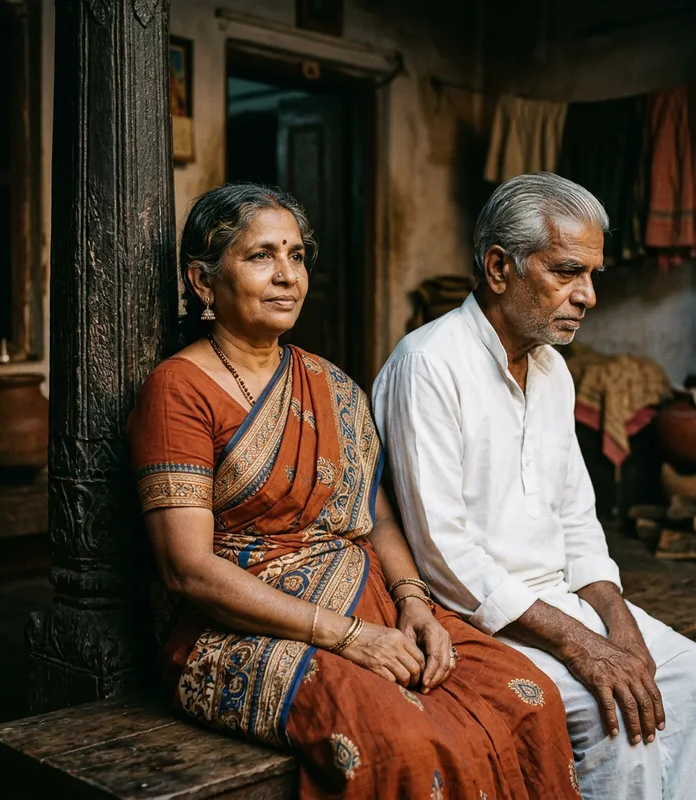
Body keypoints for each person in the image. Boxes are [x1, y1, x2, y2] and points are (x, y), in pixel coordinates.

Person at [127, 182, 582, 799]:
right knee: (404, 743)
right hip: (239, 629)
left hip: (372, 603)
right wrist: (348, 637)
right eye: (261, 256)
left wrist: (414, 603)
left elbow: (376, 516)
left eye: (295, 255)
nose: (287, 275)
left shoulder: (330, 384)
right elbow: (188, 569)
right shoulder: (178, 390)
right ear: (204, 282)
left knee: (524, 697)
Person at [372, 172, 696, 800]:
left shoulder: (551, 370)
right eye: (566, 271)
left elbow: (577, 521)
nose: (587, 295)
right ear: (498, 267)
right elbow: (442, 555)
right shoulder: (428, 364)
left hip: (559, 605)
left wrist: (617, 622)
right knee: (622, 724)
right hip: (474, 617)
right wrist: (582, 645)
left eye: (592, 275)